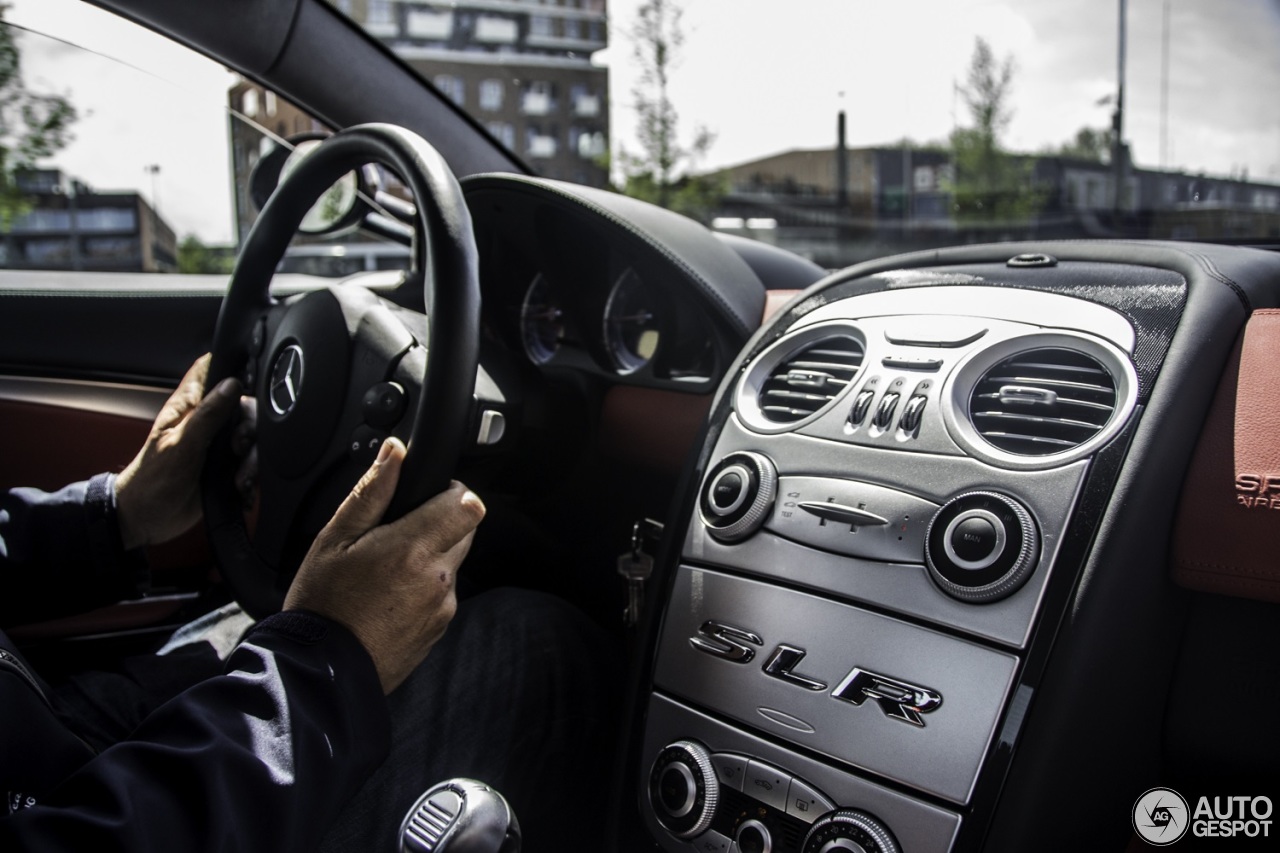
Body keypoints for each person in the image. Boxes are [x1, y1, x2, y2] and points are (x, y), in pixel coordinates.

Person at [0, 355, 617, 851]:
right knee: (538, 649)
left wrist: (116, 515)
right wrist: (320, 666)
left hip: (36, 730)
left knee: (242, 622)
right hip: (70, 810)